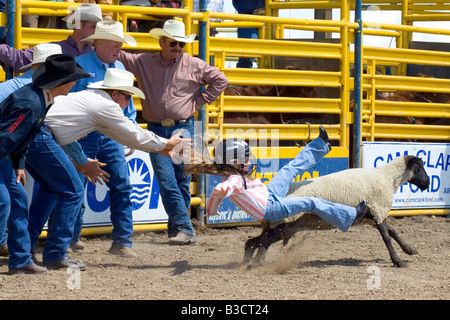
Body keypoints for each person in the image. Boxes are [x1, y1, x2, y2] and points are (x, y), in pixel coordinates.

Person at [28, 68, 190, 267]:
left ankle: (27, 248)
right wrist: (166, 143)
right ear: (115, 94)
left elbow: (121, 135)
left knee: (51, 191)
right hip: (41, 135)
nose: (128, 103)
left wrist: (163, 148)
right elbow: (132, 134)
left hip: (33, 132)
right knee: (72, 191)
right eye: (127, 97)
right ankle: (55, 253)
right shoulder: (105, 106)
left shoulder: (93, 100)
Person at [117, 19, 228, 245]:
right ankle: (186, 229)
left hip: (182, 126)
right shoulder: (144, 61)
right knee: (169, 181)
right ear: (162, 42)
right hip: (160, 129)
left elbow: (221, 80)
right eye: (173, 44)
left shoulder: (193, 64)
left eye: (181, 45)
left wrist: (197, 102)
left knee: (180, 182)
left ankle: (177, 229)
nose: (178, 48)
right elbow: (119, 55)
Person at [0, 54, 90, 274]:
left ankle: (21, 259)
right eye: (73, 78)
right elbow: (6, 138)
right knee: (13, 200)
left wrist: (18, 163)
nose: (75, 82)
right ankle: (21, 259)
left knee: (16, 200)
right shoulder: (32, 103)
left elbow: (21, 137)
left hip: (4, 156)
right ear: (63, 83)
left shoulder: (37, 98)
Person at [185, 126, 368, 230]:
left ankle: (321, 144)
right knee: (310, 202)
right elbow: (219, 191)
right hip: (271, 209)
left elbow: (217, 195)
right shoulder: (233, 180)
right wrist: (217, 199)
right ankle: (350, 216)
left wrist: (212, 210)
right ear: (234, 162)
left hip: (269, 194)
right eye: (245, 159)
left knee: (289, 169)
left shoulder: (231, 176)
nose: (249, 161)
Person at [69, 20, 141, 257]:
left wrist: (129, 132)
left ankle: (122, 241)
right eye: (115, 44)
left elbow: (128, 106)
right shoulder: (79, 65)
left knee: (121, 184)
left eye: (120, 44)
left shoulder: (119, 68)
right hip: (84, 135)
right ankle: (71, 238)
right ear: (99, 42)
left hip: (109, 136)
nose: (119, 49)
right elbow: (68, 101)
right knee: (76, 187)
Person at [0, 3, 102, 73]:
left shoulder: (99, 54)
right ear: (78, 24)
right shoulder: (98, 55)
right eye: (93, 27)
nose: (97, 31)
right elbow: (19, 59)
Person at [232, 0, 265, 68]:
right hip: (247, 18)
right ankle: (242, 75)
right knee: (247, 54)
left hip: (265, 17)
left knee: (268, 55)